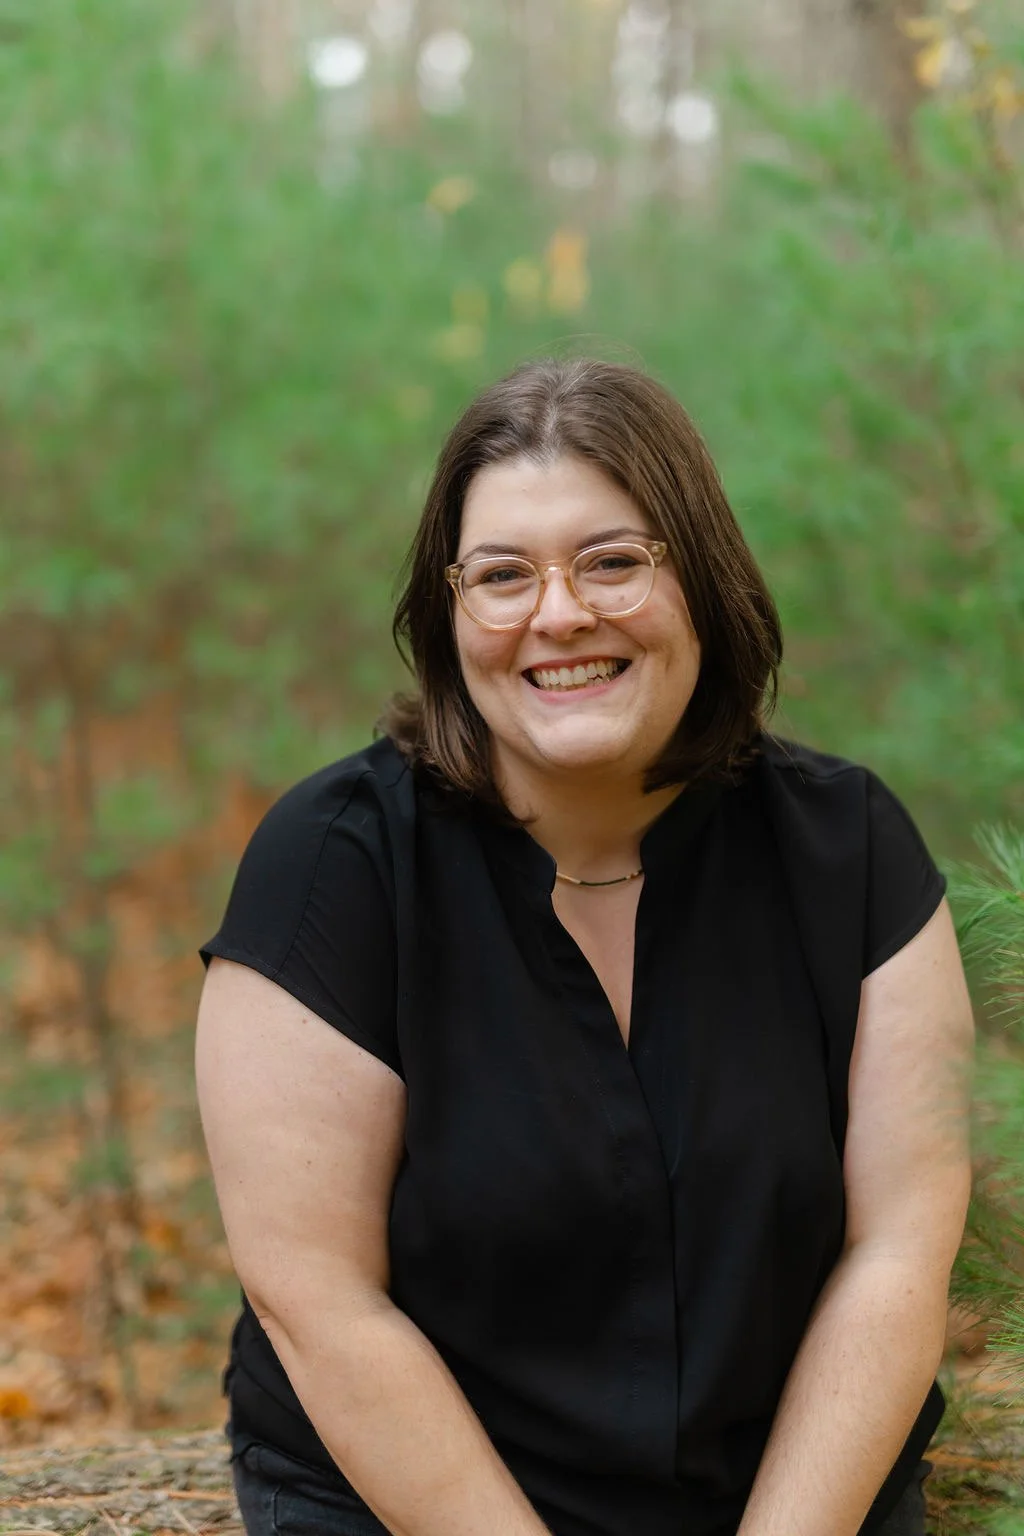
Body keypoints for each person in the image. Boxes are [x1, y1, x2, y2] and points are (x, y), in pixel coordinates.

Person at [195, 358, 974, 1536]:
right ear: (449, 615)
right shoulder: (333, 865)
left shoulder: (848, 849)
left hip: (789, 1501)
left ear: (700, 579)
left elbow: (898, 1257)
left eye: (613, 561)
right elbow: (320, 1300)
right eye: (502, 576)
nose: (558, 614)